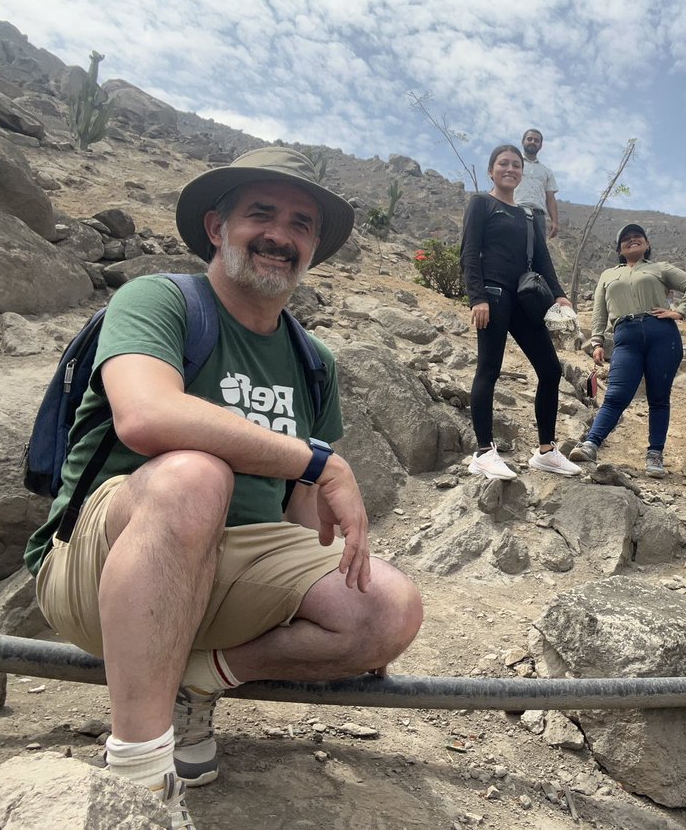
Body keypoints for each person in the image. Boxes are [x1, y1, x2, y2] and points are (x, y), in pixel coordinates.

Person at [23, 147, 424, 829]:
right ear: (216, 227)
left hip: (228, 573)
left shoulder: (312, 361)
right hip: (100, 564)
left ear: (314, 248)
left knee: (389, 605)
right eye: (260, 213)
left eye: (301, 223)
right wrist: (319, 459)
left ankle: (199, 678)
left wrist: (327, 618)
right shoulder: (160, 300)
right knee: (192, 475)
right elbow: (146, 416)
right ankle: (140, 782)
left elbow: (294, 519)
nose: (280, 234)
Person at [460, 144, 580, 480]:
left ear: (522, 173)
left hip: (526, 300)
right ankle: (483, 452)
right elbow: (469, 252)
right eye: (503, 164)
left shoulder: (529, 216)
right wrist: (477, 298)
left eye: (515, 165)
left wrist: (560, 296)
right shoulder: (481, 203)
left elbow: (543, 260)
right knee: (489, 370)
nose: (510, 169)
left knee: (551, 370)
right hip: (494, 297)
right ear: (491, 170)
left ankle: (546, 452)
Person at [569, 223, 686, 477]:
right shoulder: (608, 275)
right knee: (616, 395)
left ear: (647, 244)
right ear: (619, 249)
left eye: (637, 237)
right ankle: (591, 444)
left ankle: (655, 455)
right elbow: (599, 311)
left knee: (659, 397)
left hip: (662, 335)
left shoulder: (659, 268)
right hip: (625, 335)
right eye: (626, 239)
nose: (632, 240)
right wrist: (597, 341)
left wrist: (679, 312)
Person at [517, 128, 560, 239]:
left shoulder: (546, 171)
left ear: (540, 146)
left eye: (536, 140)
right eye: (529, 139)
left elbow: (550, 198)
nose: (533, 142)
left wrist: (555, 221)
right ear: (523, 141)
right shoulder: (514, 164)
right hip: (515, 210)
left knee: (538, 252)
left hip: (538, 217)